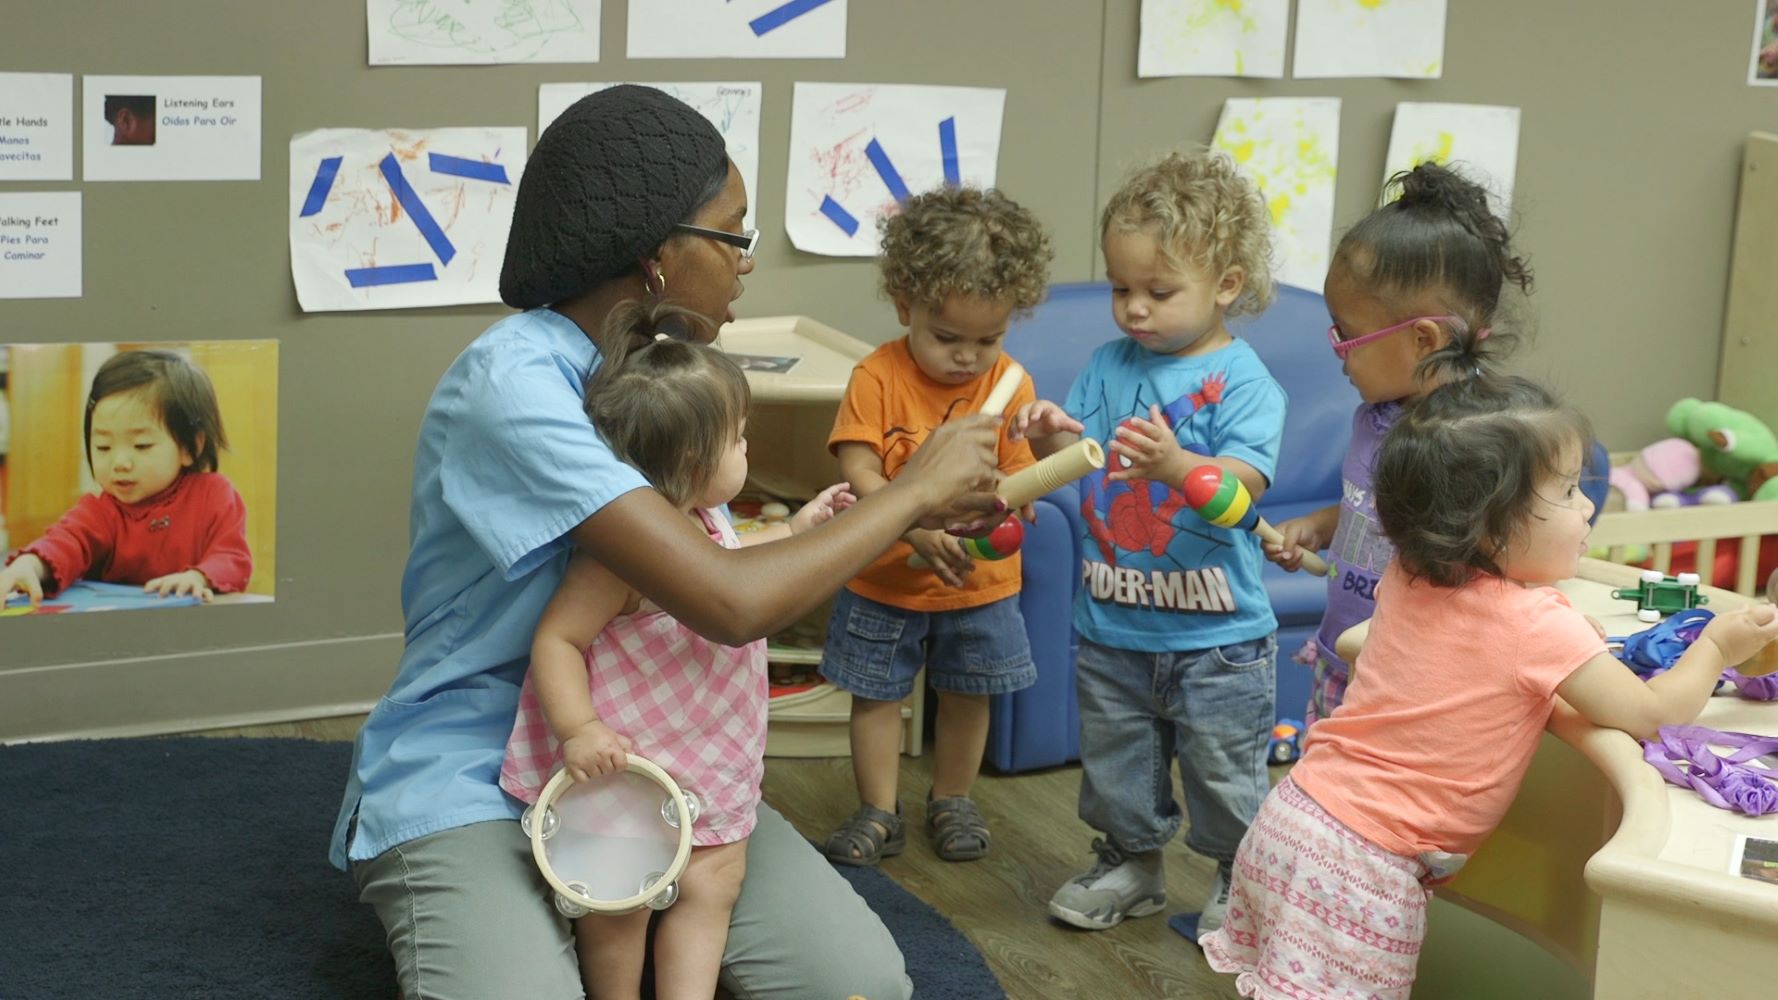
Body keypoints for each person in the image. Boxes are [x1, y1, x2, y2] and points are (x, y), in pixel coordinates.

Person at [329, 84, 1003, 1000]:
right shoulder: (513, 383)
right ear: (655, 257)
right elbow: (728, 600)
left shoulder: (659, 372)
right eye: (734, 237)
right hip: (478, 759)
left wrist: (897, 512)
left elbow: (732, 557)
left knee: (858, 985)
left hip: (655, 748)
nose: (746, 267)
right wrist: (913, 489)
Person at [1199, 375, 1778, 999]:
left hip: (1294, 817)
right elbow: (1651, 711)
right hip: (1359, 868)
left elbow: (1472, 653)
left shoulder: (1410, 573)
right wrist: (1718, 645)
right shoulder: (1534, 624)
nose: (1588, 506)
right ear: (1489, 528)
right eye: (1567, 490)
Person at [501, 330, 855, 1000]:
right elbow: (558, 640)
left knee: (713, 882)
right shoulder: (621, 553)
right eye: (741, 438)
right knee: (621, 898)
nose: (749, 447)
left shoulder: (708, 517)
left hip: (709, 751)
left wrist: (798, 531)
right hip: (626, 768)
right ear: (695, 459)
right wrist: (579, 729)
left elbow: (738, 562)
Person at [1010, 148, 1285, 935]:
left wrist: (1176, 464)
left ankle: (1244, 882)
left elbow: (1239, 494)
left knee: (1225, 778)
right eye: (1121, 288)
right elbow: (1075, 465)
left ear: (1226, 284)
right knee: (1117, 773)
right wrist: (1045, 437)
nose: (1134, 308)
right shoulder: (1106, 365)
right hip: (1113, 628)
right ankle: (1131, 863)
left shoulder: (1246, 383)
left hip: (1218, 638)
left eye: (1159, 292)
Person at [818, 186, 1052, 867]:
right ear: (904, 304)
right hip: (884, 574)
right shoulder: (877, 375)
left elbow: (1011, 473)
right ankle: (878, 809)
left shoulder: (1011, 382)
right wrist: (912, 527)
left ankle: (952, 797)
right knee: (877, 692)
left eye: (989, 339)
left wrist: (1019, 494)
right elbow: (860, 471)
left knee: (969, 692)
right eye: (947, 337)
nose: (968, 358)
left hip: (977, 581)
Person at [1263, 162, 1535, 728]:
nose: (1337, 349)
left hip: (1412, 685)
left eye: (1346, 334)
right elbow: (1380, 507)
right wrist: (1323, 524)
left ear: (1423, 339)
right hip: (1343, 658)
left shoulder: (1471, 443)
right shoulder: (1374, 417)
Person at [0, 349, 249, 605]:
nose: (119, 463)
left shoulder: (214, 495)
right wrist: (28, 565)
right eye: (103, 447)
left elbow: (231, 556)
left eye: (141, 445)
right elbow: (65, 542)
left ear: (190, 448)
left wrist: (199, 577)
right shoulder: (100, 512)